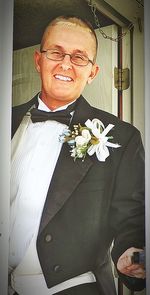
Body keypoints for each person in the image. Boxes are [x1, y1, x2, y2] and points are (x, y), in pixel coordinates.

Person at [9, 15, 145, 295]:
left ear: (93, 72)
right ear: (38, 60)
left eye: (79, 57)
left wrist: (133, 252)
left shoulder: (121, 137)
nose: (65, 64)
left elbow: (132, 215)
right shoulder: (5, 120)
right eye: (56, 52)